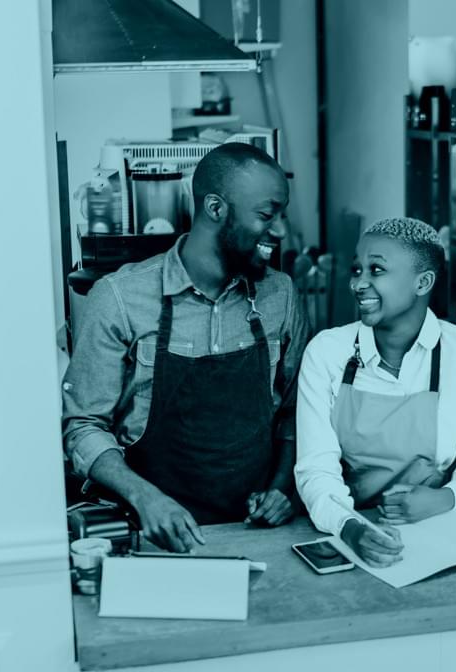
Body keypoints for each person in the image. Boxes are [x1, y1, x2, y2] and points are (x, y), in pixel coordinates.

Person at [62, 143, 309, 552]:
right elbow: (83, 426)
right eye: (266, 215)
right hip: (150, 531)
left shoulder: (279, 294)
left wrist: (283, 490)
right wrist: (146, 499)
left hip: (256, 533)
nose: (280, 230)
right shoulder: (120, 298)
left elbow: (295, 412)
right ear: (215, 208)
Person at [295, 217, 456, 567]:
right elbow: (315, 468)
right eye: (356, 269)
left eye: (376, 270)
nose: (358, 283)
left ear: (422, 282)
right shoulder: (327, 352)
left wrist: (446, 498)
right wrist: (350, 527)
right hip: (345, 529)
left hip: (437, 532)